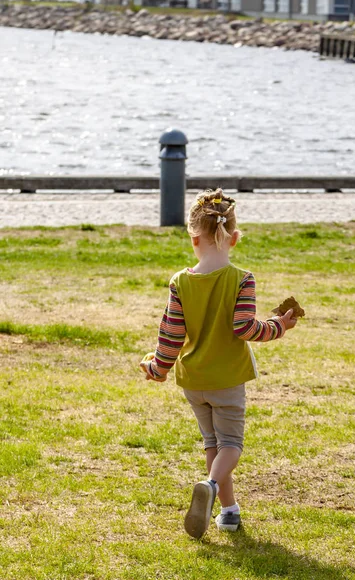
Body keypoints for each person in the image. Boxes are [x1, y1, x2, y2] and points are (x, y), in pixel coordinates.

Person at [140, 188, 297, 539]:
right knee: (231, 445)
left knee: (213, 443)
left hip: (193, 380)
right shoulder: (242, 279)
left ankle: (228, 511)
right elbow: (244, 327)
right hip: (226, 379)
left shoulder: (180, 282)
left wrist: (158, 368)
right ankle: (210, 485)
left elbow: (170, 336)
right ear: (235, 238)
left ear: (194, 239)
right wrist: (278, 327)